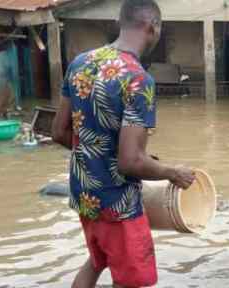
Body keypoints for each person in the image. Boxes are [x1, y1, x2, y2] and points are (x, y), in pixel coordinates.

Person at [51, 1, 196, 287]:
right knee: (131, 280)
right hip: (117, 203)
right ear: (152, 26)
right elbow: (130, 162)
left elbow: (58, 132)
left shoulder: (81, 63)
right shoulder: (138, 79)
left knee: (97, 261)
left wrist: (103, 154)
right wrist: (172, 172)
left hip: (84, 192)